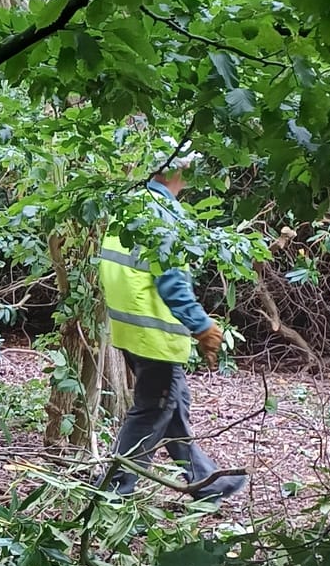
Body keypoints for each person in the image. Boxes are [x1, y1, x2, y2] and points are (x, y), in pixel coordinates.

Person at [97, 157, 244, 501]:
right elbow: (172, 281)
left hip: (132, 332)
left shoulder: (132, 206)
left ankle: (207, 484)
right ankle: (113, 494)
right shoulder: (163, 216)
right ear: (181, 171)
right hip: (153, 337)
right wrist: (202, 326)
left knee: (173, 406)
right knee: (152, 412)